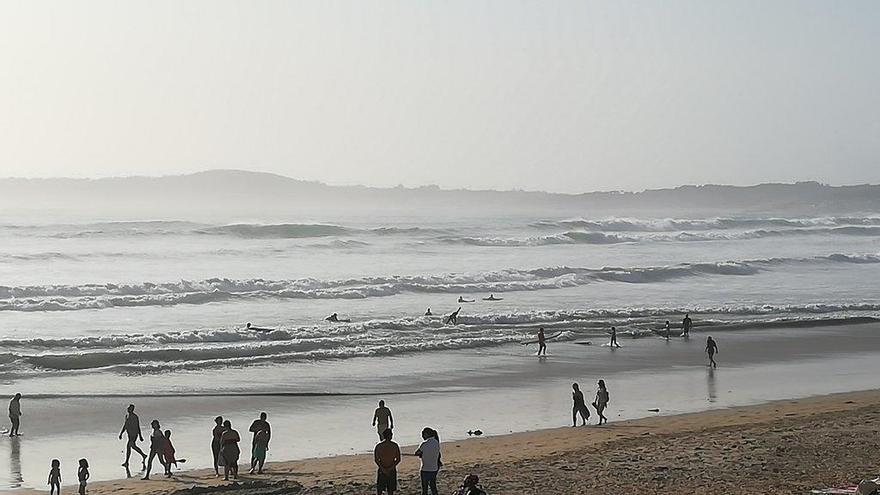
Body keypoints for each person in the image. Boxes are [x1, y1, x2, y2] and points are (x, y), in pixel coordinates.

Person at [119, 404, 147, 468]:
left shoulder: (135, 417)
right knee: (131, 447)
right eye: (128, 408)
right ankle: (143, 455)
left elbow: (137, 426)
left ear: (132, 409)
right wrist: (121, 433)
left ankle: (127, 462)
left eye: (130, 408)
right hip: (129, 434)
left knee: (130, 446)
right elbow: (125, 425)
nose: (128, 409)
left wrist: (140, 436)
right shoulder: (127, 416)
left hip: (134, 434)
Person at [374, 428, 401, 495]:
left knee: (381, 489)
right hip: (390, 469)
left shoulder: (379, 446)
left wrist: (383, 469)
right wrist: (390, 468)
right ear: (391, 435)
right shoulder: (394, 445)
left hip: (383, 469)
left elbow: (377, 460)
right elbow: (398, 459)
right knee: (389, 489)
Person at [415, 427, 442, 495]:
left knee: (425, 489)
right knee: (433, 487)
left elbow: (417, 452)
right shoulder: (436, 442)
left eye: (423, 435)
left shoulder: (424, 443)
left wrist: (421, 454)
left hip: (425, 469)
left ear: (426, 434)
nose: (422, 437)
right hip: (434, 468)